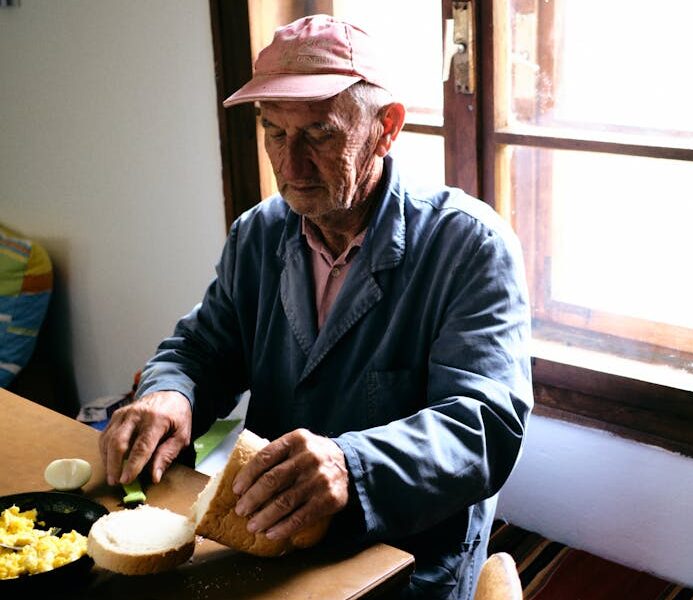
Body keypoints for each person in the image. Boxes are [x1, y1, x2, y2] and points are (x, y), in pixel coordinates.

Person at [99, 14, 533, 599]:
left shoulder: (470, 246)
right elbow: (202, 348)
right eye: (274, 132)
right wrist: (169, 392)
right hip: (271, 543)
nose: (291, 164)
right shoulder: (260, 233)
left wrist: (351, 466)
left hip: (406, 560)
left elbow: (483, 428)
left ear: (387, 128)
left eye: (321, 135)